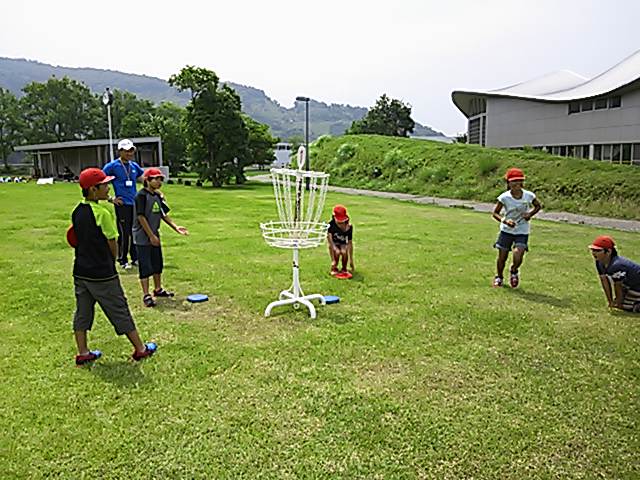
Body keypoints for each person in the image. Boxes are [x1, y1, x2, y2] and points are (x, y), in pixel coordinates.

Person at [70, 168, 157, 366]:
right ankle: (140, 349)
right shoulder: (103, 213)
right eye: (104, 185)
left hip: (80, 271)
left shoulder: (77, 211)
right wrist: (113, 260)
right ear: (93, 189)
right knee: (119, 309)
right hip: (102, 273)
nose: (108, 188)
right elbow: (112, 242)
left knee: (82, 311)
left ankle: (83, 352)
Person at [133, 167, 188, 307]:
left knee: (157, 263)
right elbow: (141, 217)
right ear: (147, 180)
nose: (159, 182)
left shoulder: (157, 196)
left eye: (160, 179)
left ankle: (158, 289)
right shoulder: (141, 196)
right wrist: (150, 235)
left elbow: (163, 214)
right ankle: (146, 295)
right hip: (142, 236)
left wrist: (176, 227)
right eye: (156, 179)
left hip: (154, 235)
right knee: (145, 266)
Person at [491, 167, 541, 288]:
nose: (516, 184)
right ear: (508, 183)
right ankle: (499, 277)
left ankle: (514, 271)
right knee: (502, 256)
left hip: (522, 230)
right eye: (513, 181)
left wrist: (529, 214)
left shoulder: (529, 196)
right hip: (507, 230)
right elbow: (495, 213)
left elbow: (538, 206)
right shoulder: (504, 197)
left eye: (519, 181)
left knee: (519, 254)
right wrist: (505, 221)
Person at [103, 139, 145, 270]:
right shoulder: (112, 166)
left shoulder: (134, 166)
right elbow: (100, 181)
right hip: (122, 205)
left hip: (134, 204)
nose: (129, 153)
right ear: (120, 151)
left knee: (135, 231)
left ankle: (135, 258)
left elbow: (143, 179)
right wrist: (111, 199)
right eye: (126, 151)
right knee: (124, 232)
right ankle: (122, 259)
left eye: (131, 150)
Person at [589, 235, 640, 312]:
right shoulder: (599, 262)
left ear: (608, 251)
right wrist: (610, 302)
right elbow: (604, 281)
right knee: (622, 303)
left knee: (625, 306)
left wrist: (619, 303)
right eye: (593, 250)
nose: (594, 253)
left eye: (598, 251)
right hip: (630, 286)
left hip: (636, 285)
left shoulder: (617, 265)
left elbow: (618, 285)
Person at [327, 204, 355, 275]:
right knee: (337, 252)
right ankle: (334, 268)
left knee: (344, 252)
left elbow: (350, 243)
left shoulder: (349, 227)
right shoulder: (331, 225)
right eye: (339, 221)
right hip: (334, 243)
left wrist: (351, 260)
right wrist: (333, 260)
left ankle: (344, 269)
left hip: (343, 243)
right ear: (334, 217)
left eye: (342, 221)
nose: (341, 223)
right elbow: (330, 241)